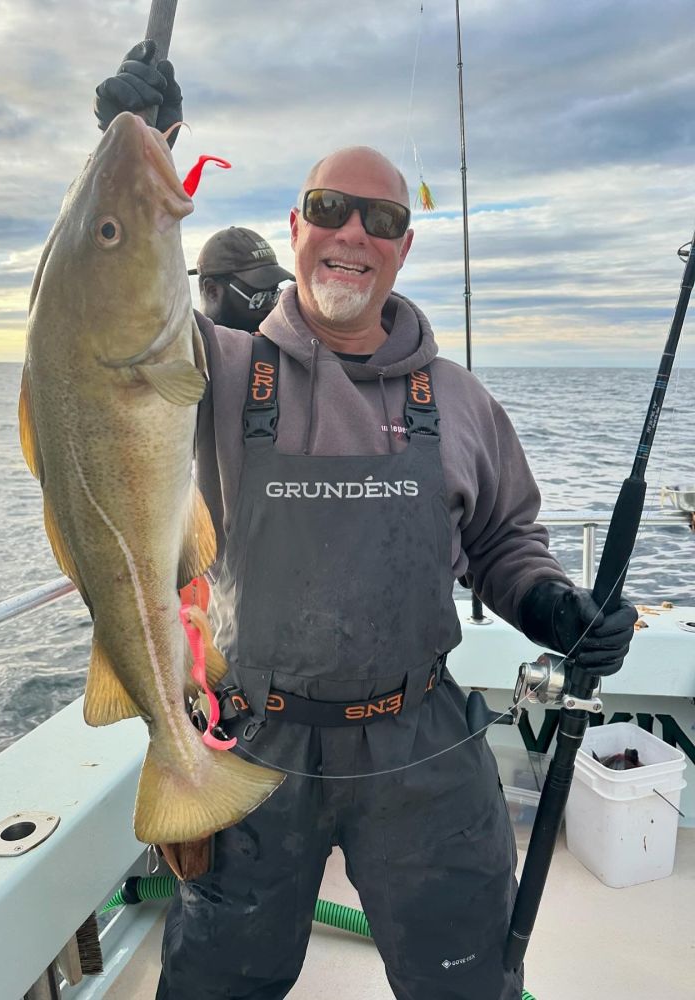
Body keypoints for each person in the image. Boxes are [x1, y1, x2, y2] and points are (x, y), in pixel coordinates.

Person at [95, 45, 637, 1000]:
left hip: (419, 740)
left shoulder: (461, 401)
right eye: (329, 210)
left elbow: (507, 543)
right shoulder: (209, 372)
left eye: (380, 219)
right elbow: (93, 330)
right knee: (218, 983)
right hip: (252, 744)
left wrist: (555, 607)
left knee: (469, 983)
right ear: (294, 227)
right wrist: (129, 151)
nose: (352, 233)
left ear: (403, 246)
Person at [188, 226, 295, 332]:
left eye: (275, 296)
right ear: (212, 291)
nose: (272, 308)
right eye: (260, 299)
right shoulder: (182, 347)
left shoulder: (276, 343)